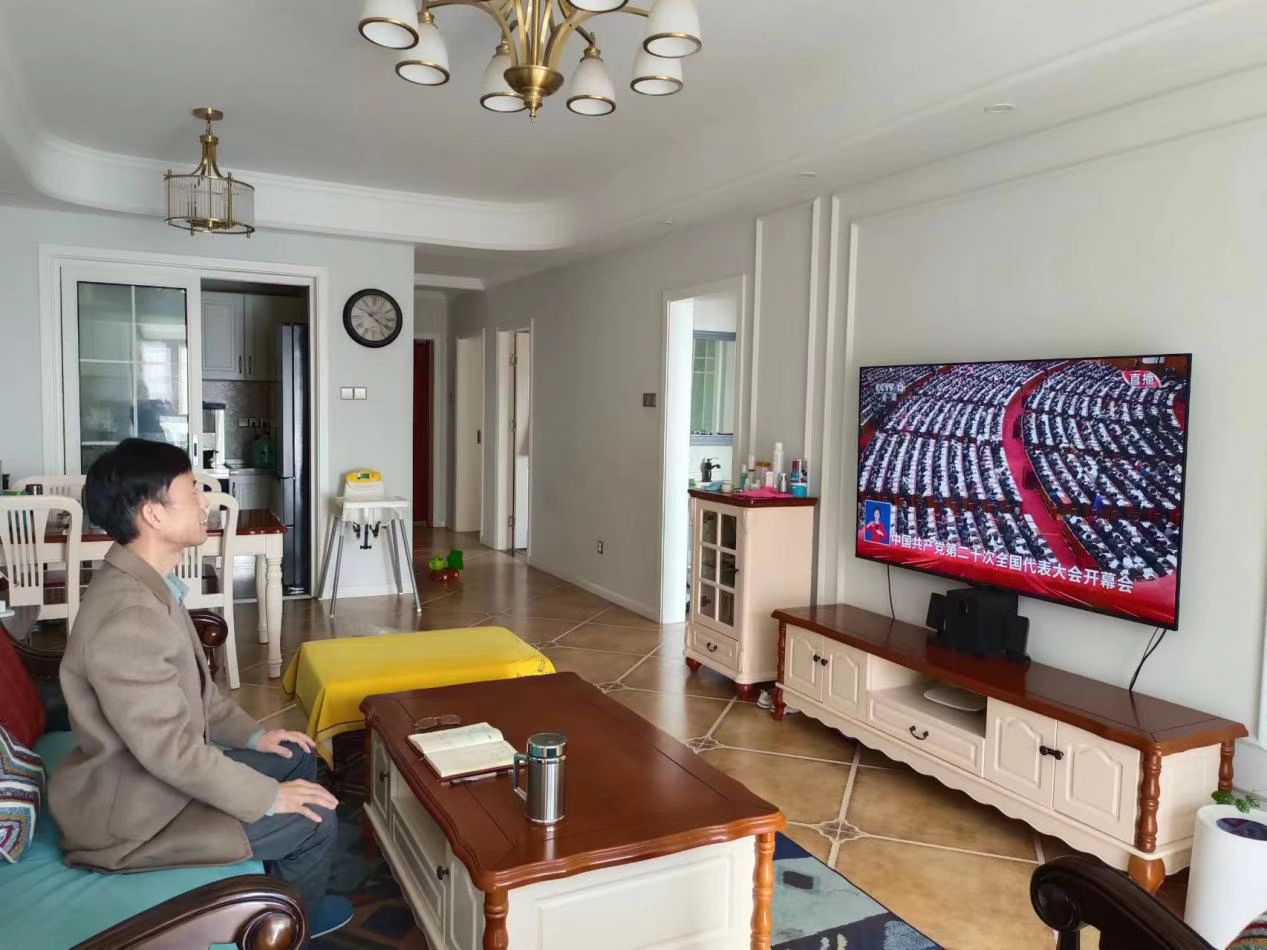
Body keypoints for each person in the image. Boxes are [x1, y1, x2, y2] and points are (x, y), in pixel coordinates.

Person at [49, 438, 352, 938]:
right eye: (192, 490)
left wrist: (257, 737)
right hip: (136, 821)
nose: (204, 502)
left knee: (296, 755)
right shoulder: (129, 616)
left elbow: (200, 694)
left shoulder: (150, 584)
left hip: (160, 784)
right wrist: (268, 798)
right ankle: (293, 927)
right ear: (154, 514)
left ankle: (279, 890)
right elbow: (171, 752)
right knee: (314, 816)